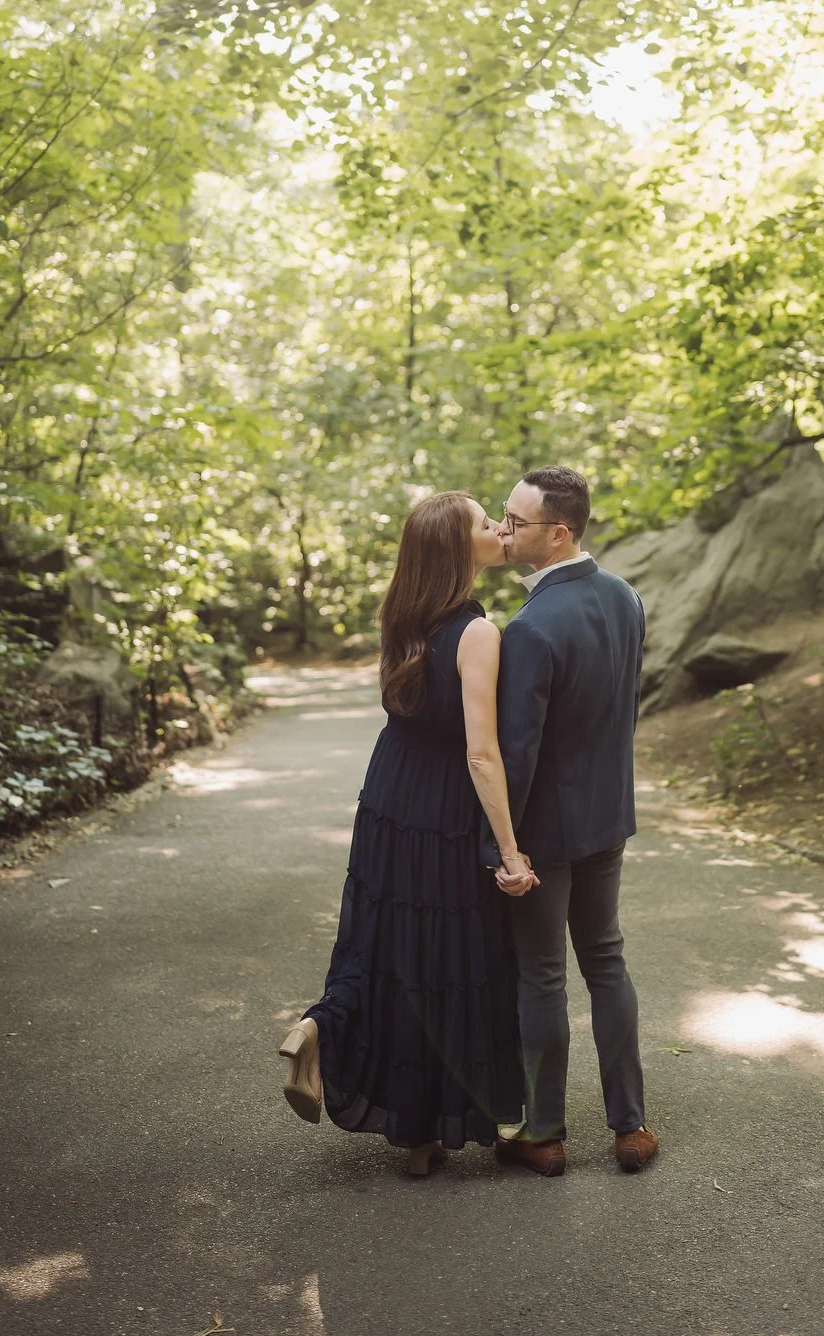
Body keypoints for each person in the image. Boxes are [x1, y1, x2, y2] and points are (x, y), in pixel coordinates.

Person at [278, 492, 534, 1176]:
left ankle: (325, 1031)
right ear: (457, 548)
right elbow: (481, 753)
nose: (496, 530)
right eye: (485, 523)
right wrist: (509, 849)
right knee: (450, 955)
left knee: (391, 944)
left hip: (391, 791)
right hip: (446, 801)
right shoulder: (479, 633)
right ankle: (432, 1126)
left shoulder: (403, 615)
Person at [488, 464, 657, 1178]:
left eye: (516, 522)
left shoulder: (529, 629)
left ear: (558, 534)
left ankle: (545, 1132)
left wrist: (505, 846)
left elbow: (517, 754)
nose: (502, 529)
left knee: (542, 978)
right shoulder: (625, 598)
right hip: (607, 818)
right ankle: (630, 1126)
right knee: (608, 963)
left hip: (546, 836)